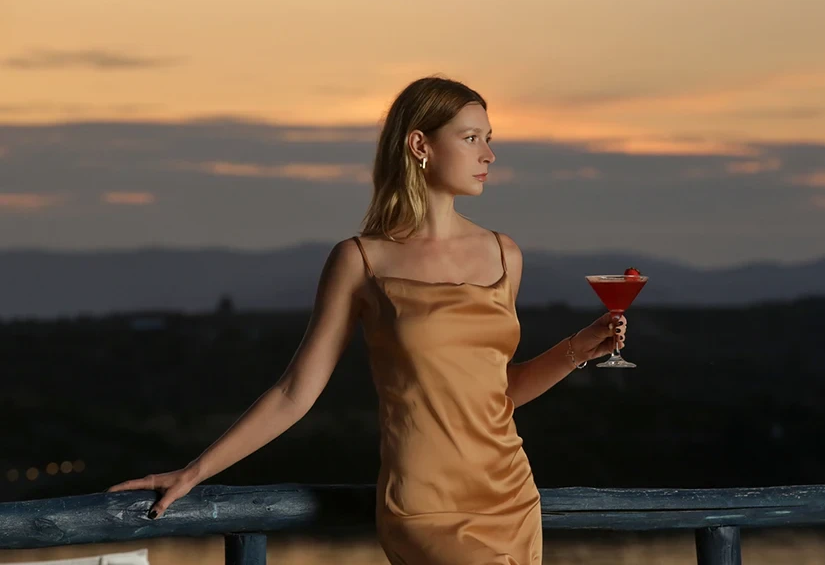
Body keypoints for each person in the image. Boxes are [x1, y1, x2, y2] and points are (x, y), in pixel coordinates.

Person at [107, 76, 627, 564]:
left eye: (489, 138)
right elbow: (295, 392)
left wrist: (578, 348)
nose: (488, 154)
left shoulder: (503, 254)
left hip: (511, 494)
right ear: (420, 145)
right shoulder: (361, 260)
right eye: (471, 138)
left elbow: (499, 391)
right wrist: (196, 471)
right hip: (425, 505)